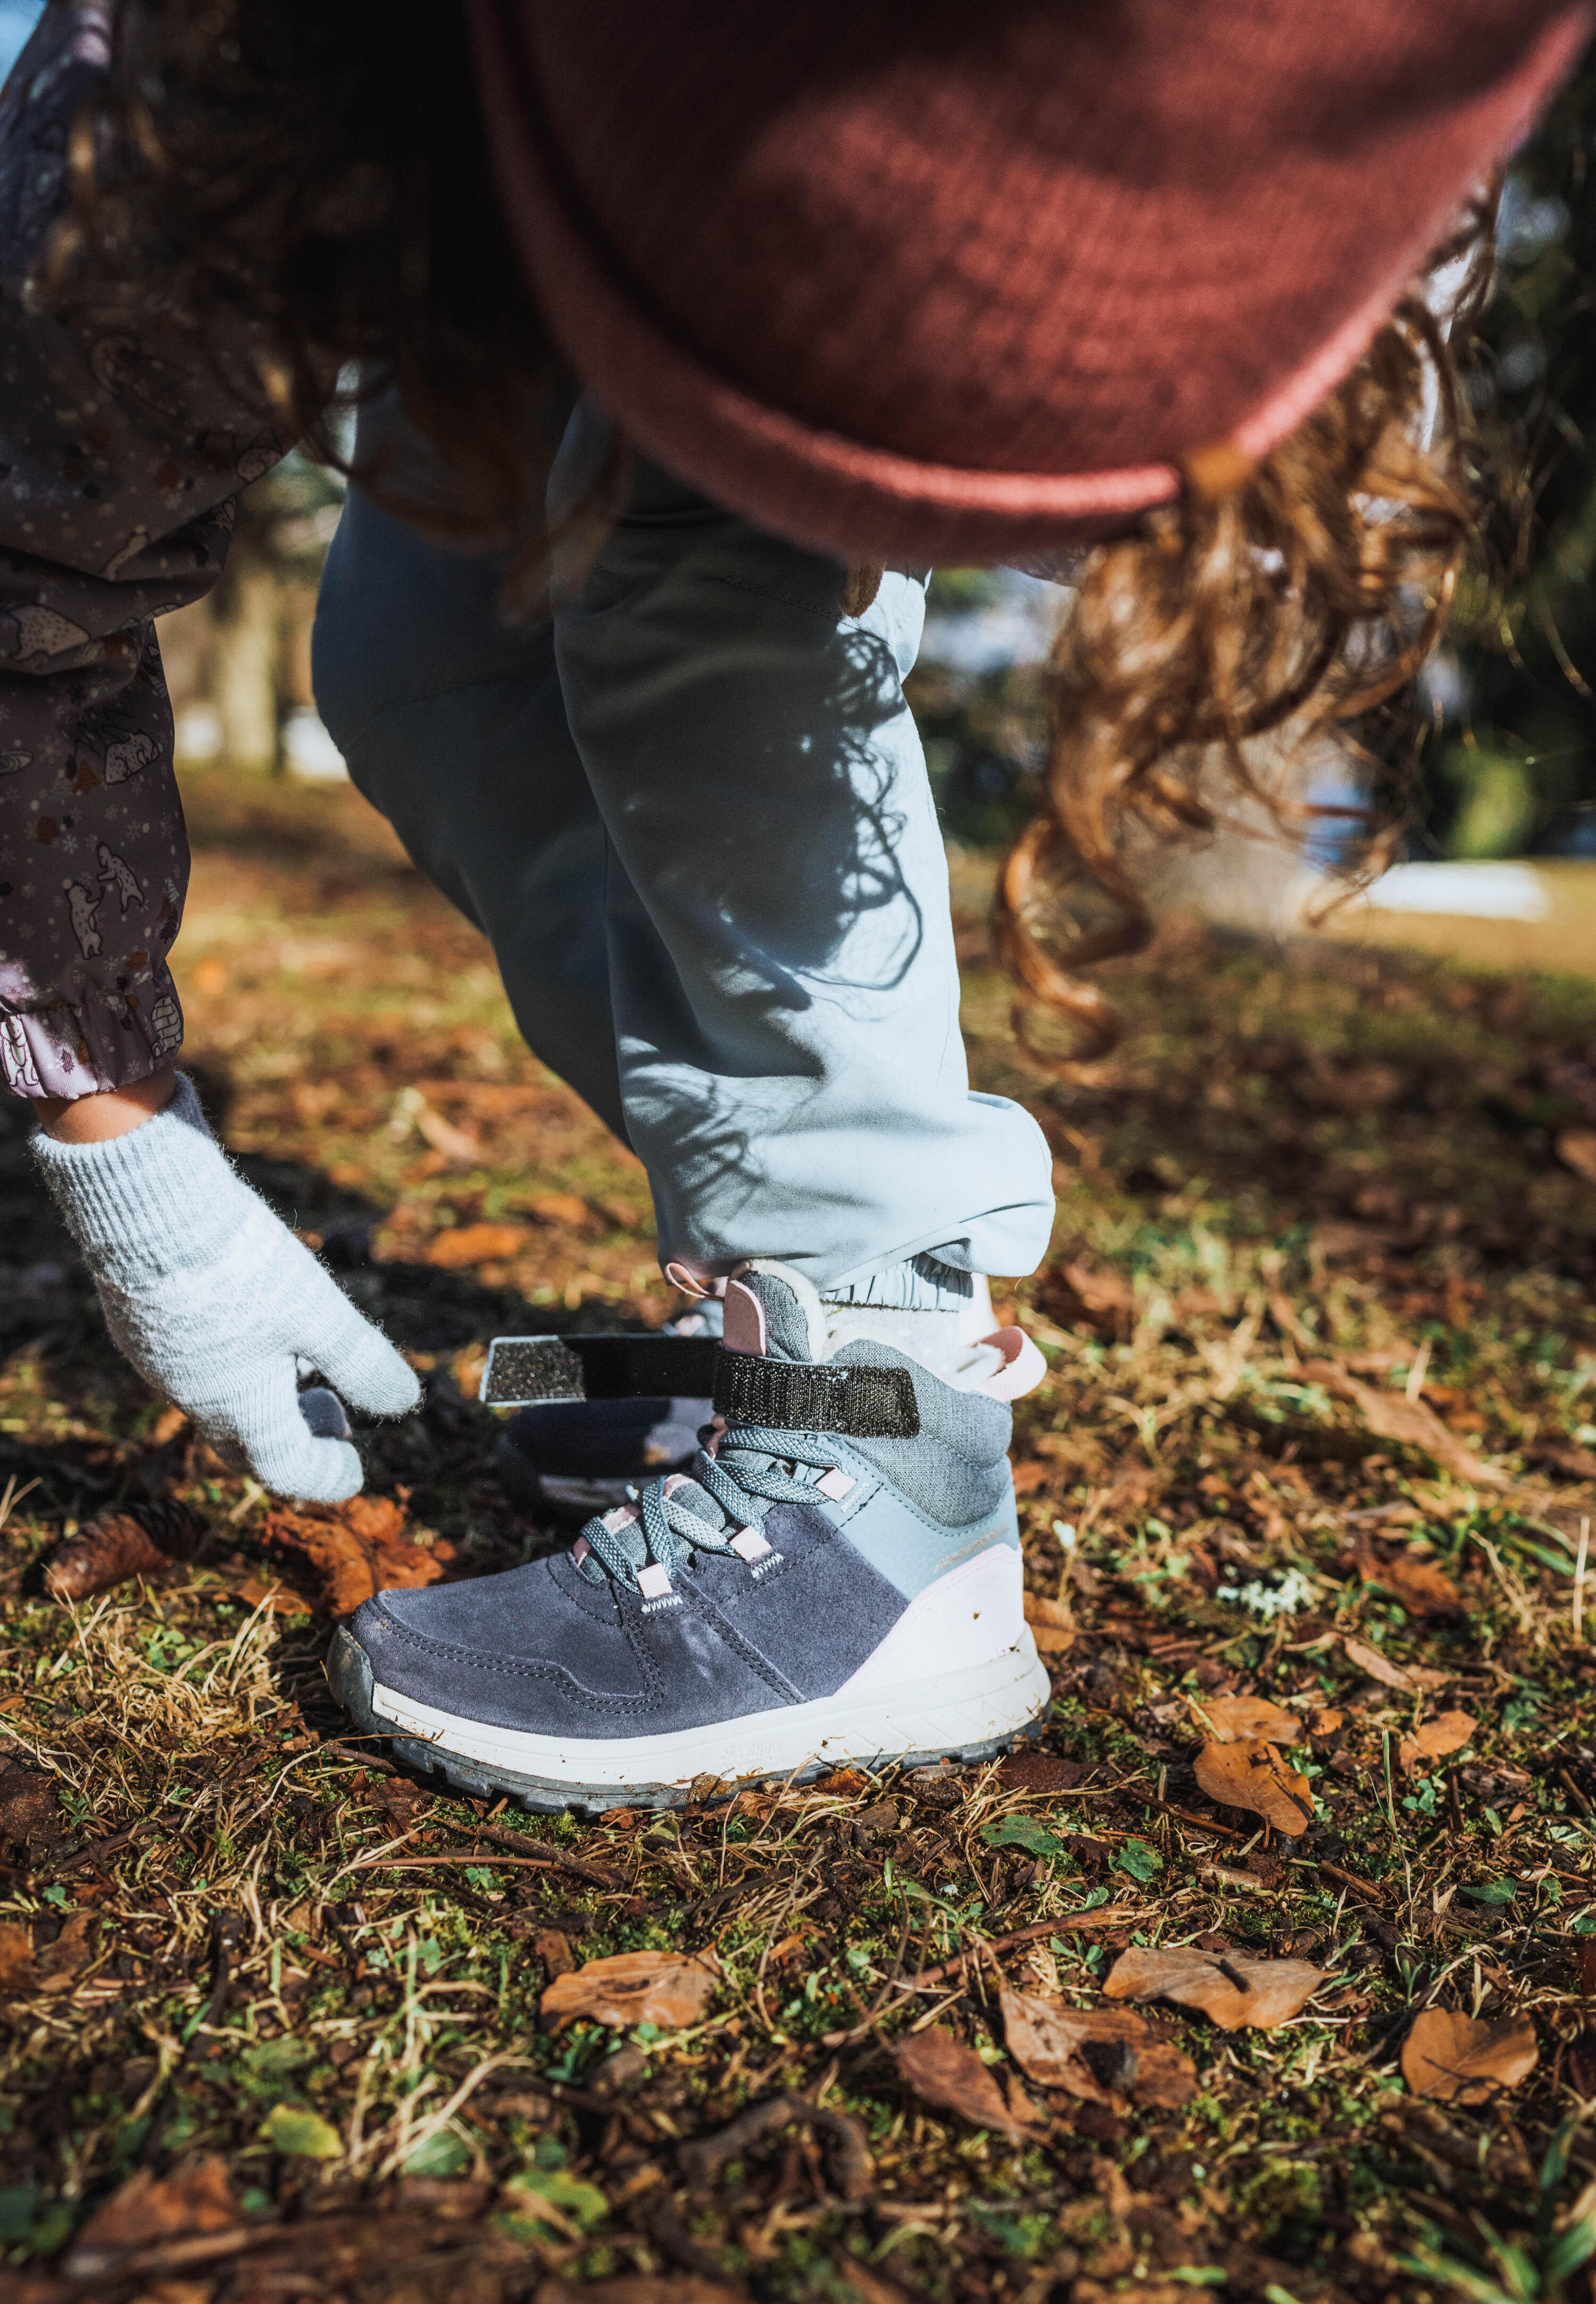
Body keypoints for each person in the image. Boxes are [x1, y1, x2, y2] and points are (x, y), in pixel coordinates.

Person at [6, 0, 1584, 1809]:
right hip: (546, 159)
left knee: (686, 564)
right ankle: (824, 1295)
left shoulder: (1333, 129)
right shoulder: (205, 78)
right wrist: (122, 1146)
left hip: (1144, 201)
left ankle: (885, 1442)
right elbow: (18, 549)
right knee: (429, 653)